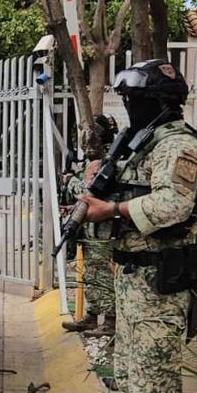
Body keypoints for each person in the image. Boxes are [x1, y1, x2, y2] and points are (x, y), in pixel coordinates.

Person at [79, 60, 197, 393]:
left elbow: (173, 205)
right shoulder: (146, 142)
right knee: (133, 378)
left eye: (136, 100)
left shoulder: (179, 145)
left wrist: (113, 210)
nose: (130, 107)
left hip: (161, 281)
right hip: (134, 276)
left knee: (155, 383)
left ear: (158, 103)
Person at [62, 114, 118, 336]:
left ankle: (110, 321)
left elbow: (89, 192)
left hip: (102, 227)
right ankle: (92, 316)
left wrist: (70, 182)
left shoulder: (107, 160)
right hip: (91, 226)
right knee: (91, 272)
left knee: (102, 272)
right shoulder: (95, 158)